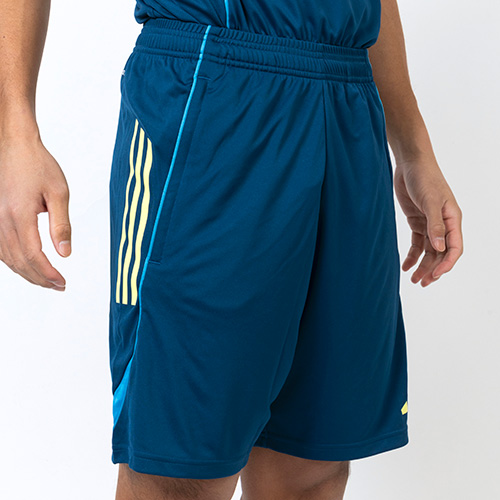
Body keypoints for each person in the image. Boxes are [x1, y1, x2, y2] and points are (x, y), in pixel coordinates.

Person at [0, 0, 463, 499]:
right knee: (179, 472)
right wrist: (13, 134)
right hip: (212, 87)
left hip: (348, 99)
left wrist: (413, 149)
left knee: (313, 462)